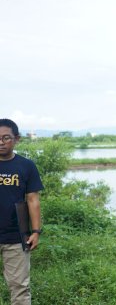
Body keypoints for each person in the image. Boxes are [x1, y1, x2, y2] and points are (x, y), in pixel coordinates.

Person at [0, 119, 43, 305]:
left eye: (6, 138)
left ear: (16, 139)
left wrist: (35, 232)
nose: (1, 142)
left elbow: (33, 200)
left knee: (19, 287)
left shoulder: (26, 166)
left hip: (15, 237)